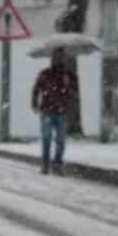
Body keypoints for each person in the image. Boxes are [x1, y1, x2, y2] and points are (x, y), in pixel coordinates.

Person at [31, 48, 80, 176]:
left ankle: (57, 164)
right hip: (47, 110)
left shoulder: (68, 75)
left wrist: (68, 88)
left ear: (64, 59)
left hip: (61, 112)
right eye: (56, 57)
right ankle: (46, 164)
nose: (58, 60)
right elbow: (36, 89)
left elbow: (74, 93)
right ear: (52, 59)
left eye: (61, 57)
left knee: (61, 140)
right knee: (47, 138)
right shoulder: (45, 73)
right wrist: (35, 103)